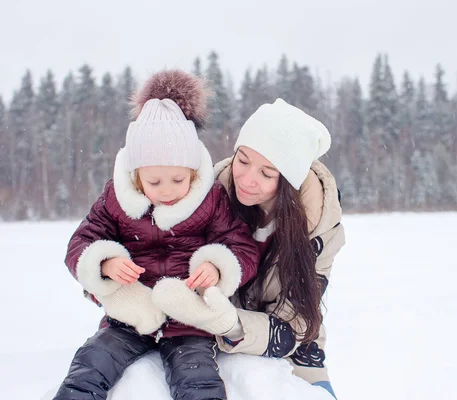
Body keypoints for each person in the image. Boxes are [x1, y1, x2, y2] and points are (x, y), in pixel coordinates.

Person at [53, 70, 259, 400]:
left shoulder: (211, 198)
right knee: (91, 364)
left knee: (198, 381)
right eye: (154, 182)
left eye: (178, 180)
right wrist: (104, 262)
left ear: (192, 171)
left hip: (188, 319)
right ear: (136, 178)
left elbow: (242, 246)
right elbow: (81, 243)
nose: (167, 191)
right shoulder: (116, 199)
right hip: (129, 317)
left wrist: (219, 268)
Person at [166, 98, 345, 399]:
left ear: (289, 181)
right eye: (243, 160)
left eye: (267, 173)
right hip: (209, 334)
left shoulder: (319, 228)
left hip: (292, 340)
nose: (247, 180)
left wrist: (232, 325)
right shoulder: (207, 198)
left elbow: (296, 325)